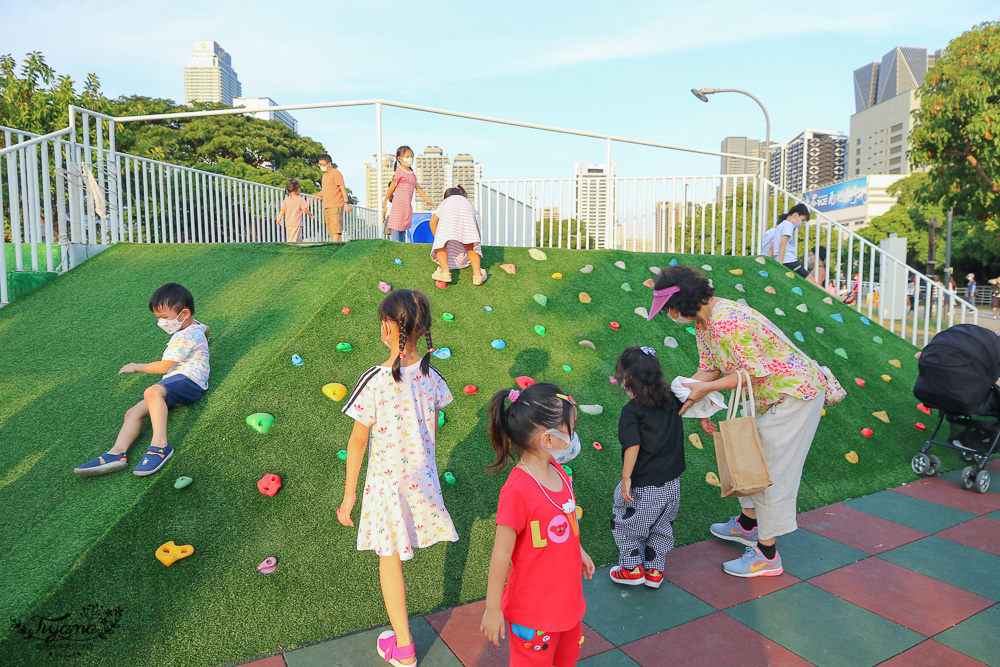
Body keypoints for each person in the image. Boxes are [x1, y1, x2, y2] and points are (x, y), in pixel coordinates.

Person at [646, 265, 828, 577]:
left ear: (682, 302)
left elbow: (756, 371)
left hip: (793, 394)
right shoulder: (704, 323)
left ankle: (767, 554)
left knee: (770, 469)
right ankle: (747, 525)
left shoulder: (727, 322)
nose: (669, 316)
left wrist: (707, 390)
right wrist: (682, 399)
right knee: (750, 457)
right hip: (768, 394)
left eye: (669, 309)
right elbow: (710, 367)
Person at [337, 288, 456, 666]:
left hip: (386, 485)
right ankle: (401, 641)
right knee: (397, 551)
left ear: (389, 328)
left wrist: (349, 495)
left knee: (388, 559)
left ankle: (403, 646)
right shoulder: (432, 377)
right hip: (422, 480)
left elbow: (358, 441)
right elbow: (433, 420)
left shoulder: (374, 379)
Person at [480, 382, 596, 666]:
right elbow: (501, 553)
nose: (574, 438)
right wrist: (493, 608)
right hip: (534, 615)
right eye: (570, 431)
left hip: (568, 604)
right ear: (547, 440)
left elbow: (563, 518)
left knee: (566, 660)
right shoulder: (517, 489)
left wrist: (576, 549)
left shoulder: (558, 470)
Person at [74, 283, 209, 477]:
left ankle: (160, 445)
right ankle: (117, 453)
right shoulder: (196, 326)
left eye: (164, 318)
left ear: (184, 314)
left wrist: (136, 366)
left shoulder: (182, 338)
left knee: (152, 391)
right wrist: (208, 342)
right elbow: (206, 329)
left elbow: (163, 367)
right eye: (158, 318)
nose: (161, 323)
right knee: (133, 412)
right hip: (177, 384)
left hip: (189, 381)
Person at [608, 346, 684, 588]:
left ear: (628, 379)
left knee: (627, 524)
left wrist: (626, 477)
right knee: (662, 526)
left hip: (645, 483)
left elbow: (633, 445)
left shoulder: (632, 410)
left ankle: (631, 569)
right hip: (672, 483)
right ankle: (654, 571)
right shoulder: (672, 398)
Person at [429, 185, 487, 286]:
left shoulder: (445, 203)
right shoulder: (467, 202)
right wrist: (477, 243)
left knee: (441, 244)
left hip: (449, 219)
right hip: (467, 220)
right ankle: (477, 275)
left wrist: (438, 238)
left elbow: (432, 222)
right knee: (471, 245)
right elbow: (475, 227)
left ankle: (445, 272)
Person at [383, 146, 434, 243]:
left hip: (407, 207)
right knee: (396, 228)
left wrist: (427, 200)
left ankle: (402, 247)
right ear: (400, 159)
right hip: (398, 205)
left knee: (403, 229)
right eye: (407, 156)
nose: (410, 159)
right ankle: (394, 246)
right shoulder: (399, 173)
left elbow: (418, 188)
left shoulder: (412, 175)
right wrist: (385, 199)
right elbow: (392, 186)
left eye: (411, 156)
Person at [317, 154, 351, 242]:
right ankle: (339, 251)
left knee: (336, 231)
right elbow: (323, 191)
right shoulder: (324, 176)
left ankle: (333, 250)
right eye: (320, 165)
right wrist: (312, 197)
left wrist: (346, 203)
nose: (322, 167)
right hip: (327, 206)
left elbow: (342, 188)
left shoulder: (336, 173)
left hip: (336, 205)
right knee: (332, 232)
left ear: (329, 164)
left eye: (323, 165)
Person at [771, 203, 811, 277]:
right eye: (802, 220)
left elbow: (773, 246)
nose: (800, 223)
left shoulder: (782, 225)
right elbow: (783, 244)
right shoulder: (789, 225)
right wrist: (780, 264)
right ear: (795, 215)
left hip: (784, 260)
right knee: (810, 280)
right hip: (789, 260)